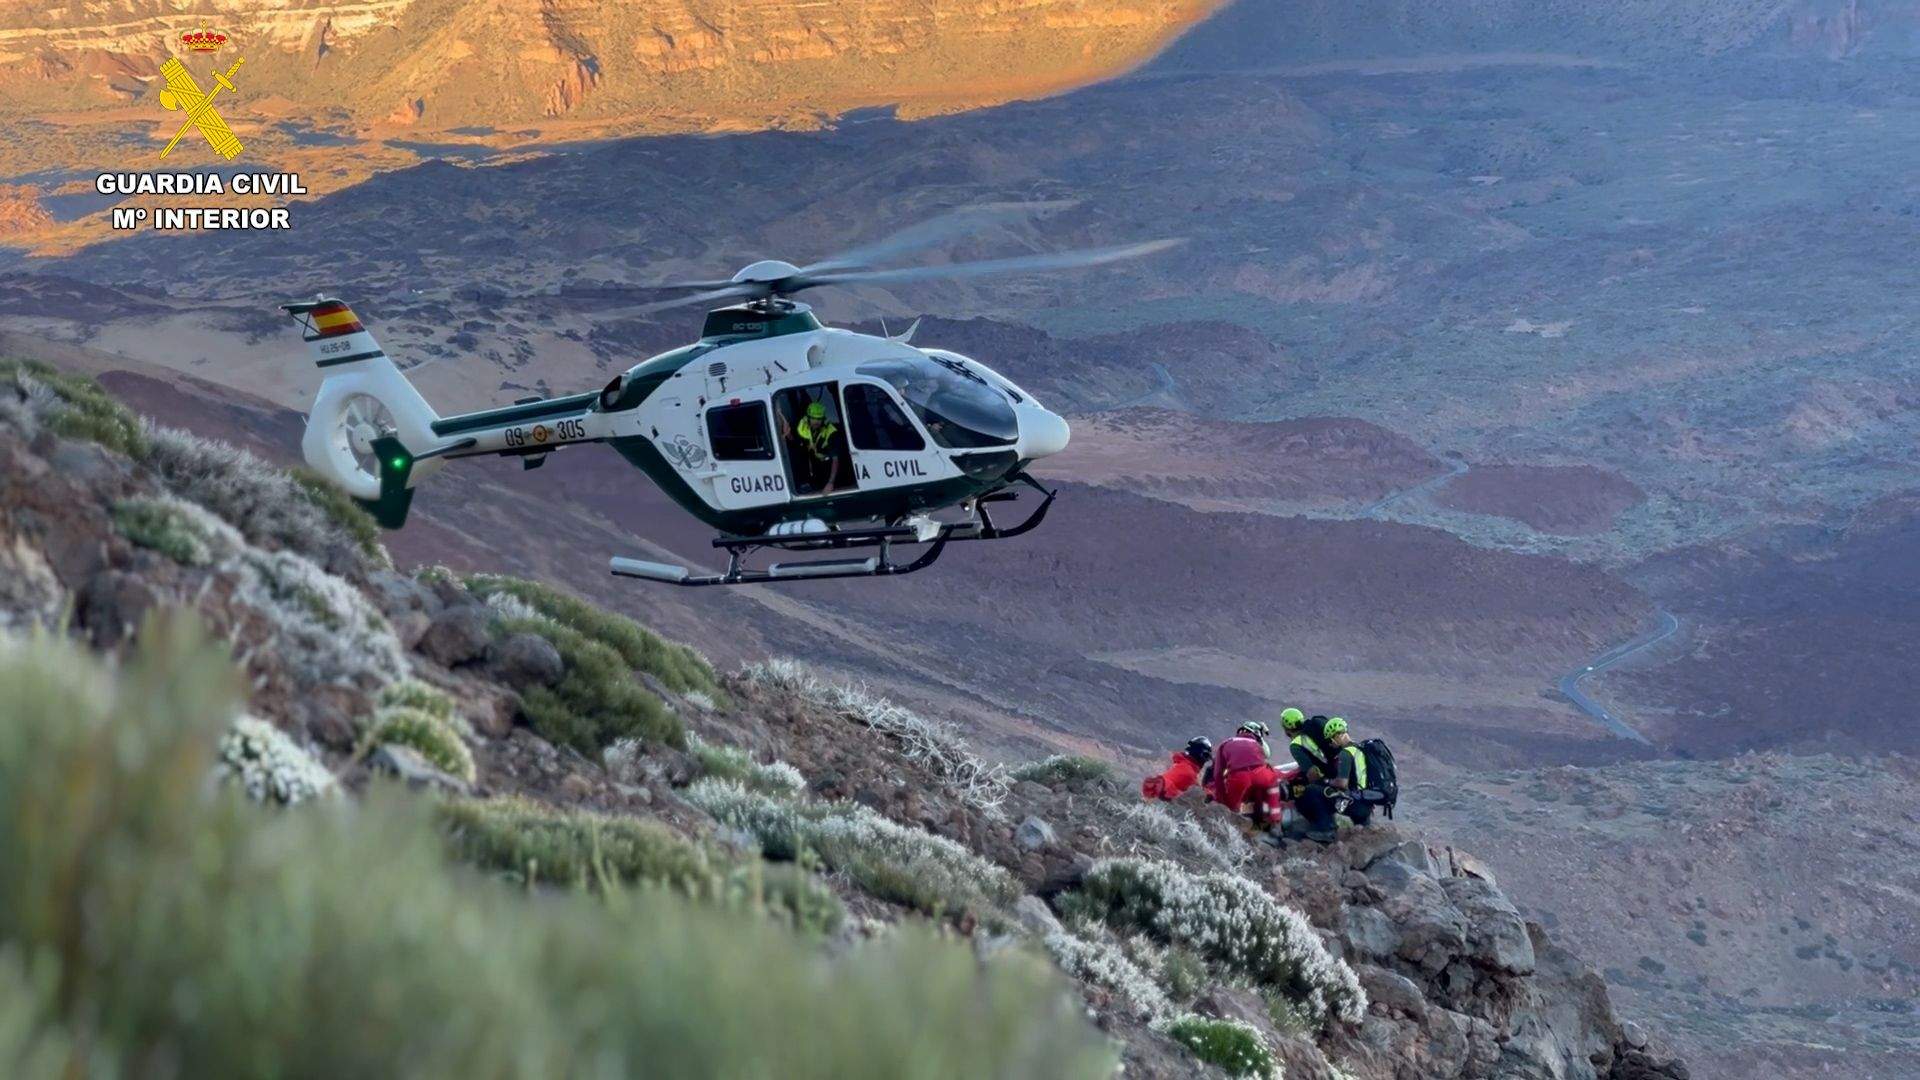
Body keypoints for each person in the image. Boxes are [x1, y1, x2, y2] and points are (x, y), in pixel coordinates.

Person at [1294, 716, 1374, 843]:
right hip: (1366, 805)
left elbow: (1342, 783)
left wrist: (1326, 782)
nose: (1331, 744)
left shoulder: (1345, 753)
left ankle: (1326, 829)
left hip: (1355, 804)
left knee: (1312, 790)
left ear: (1337, 736)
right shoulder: (1359, 749)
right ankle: (1364, 826)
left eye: (1331, 740)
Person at [1210, 721, 1284, 845]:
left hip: (1238, 776)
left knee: (1232, 808)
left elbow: (1218, 775)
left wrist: (1221, 801)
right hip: (1261, 773)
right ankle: (1275, 824)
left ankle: (1232, 832)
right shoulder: (1256, 743)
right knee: (1271, 789)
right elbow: (1266, 757)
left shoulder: (1225, 743)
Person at [779, 399, 842, 494]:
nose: (816, 421)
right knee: (798, 452)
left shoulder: (831, 432)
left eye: (819, 418)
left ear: (823, 419)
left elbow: (835, 459)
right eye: (813, 418)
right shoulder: (801, 426)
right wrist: (788, 435)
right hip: (812, 460)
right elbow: (795, 442)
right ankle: (805, 483)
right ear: (808, 417)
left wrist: (831, 482)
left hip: (826, 463)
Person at [1141, 737, 1210, 802]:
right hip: (1162, 796)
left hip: (1153, 792)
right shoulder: (1189, 773)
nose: (1206, 760)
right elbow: (1199, 797)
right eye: (1206, 756)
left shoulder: (1180, 763)